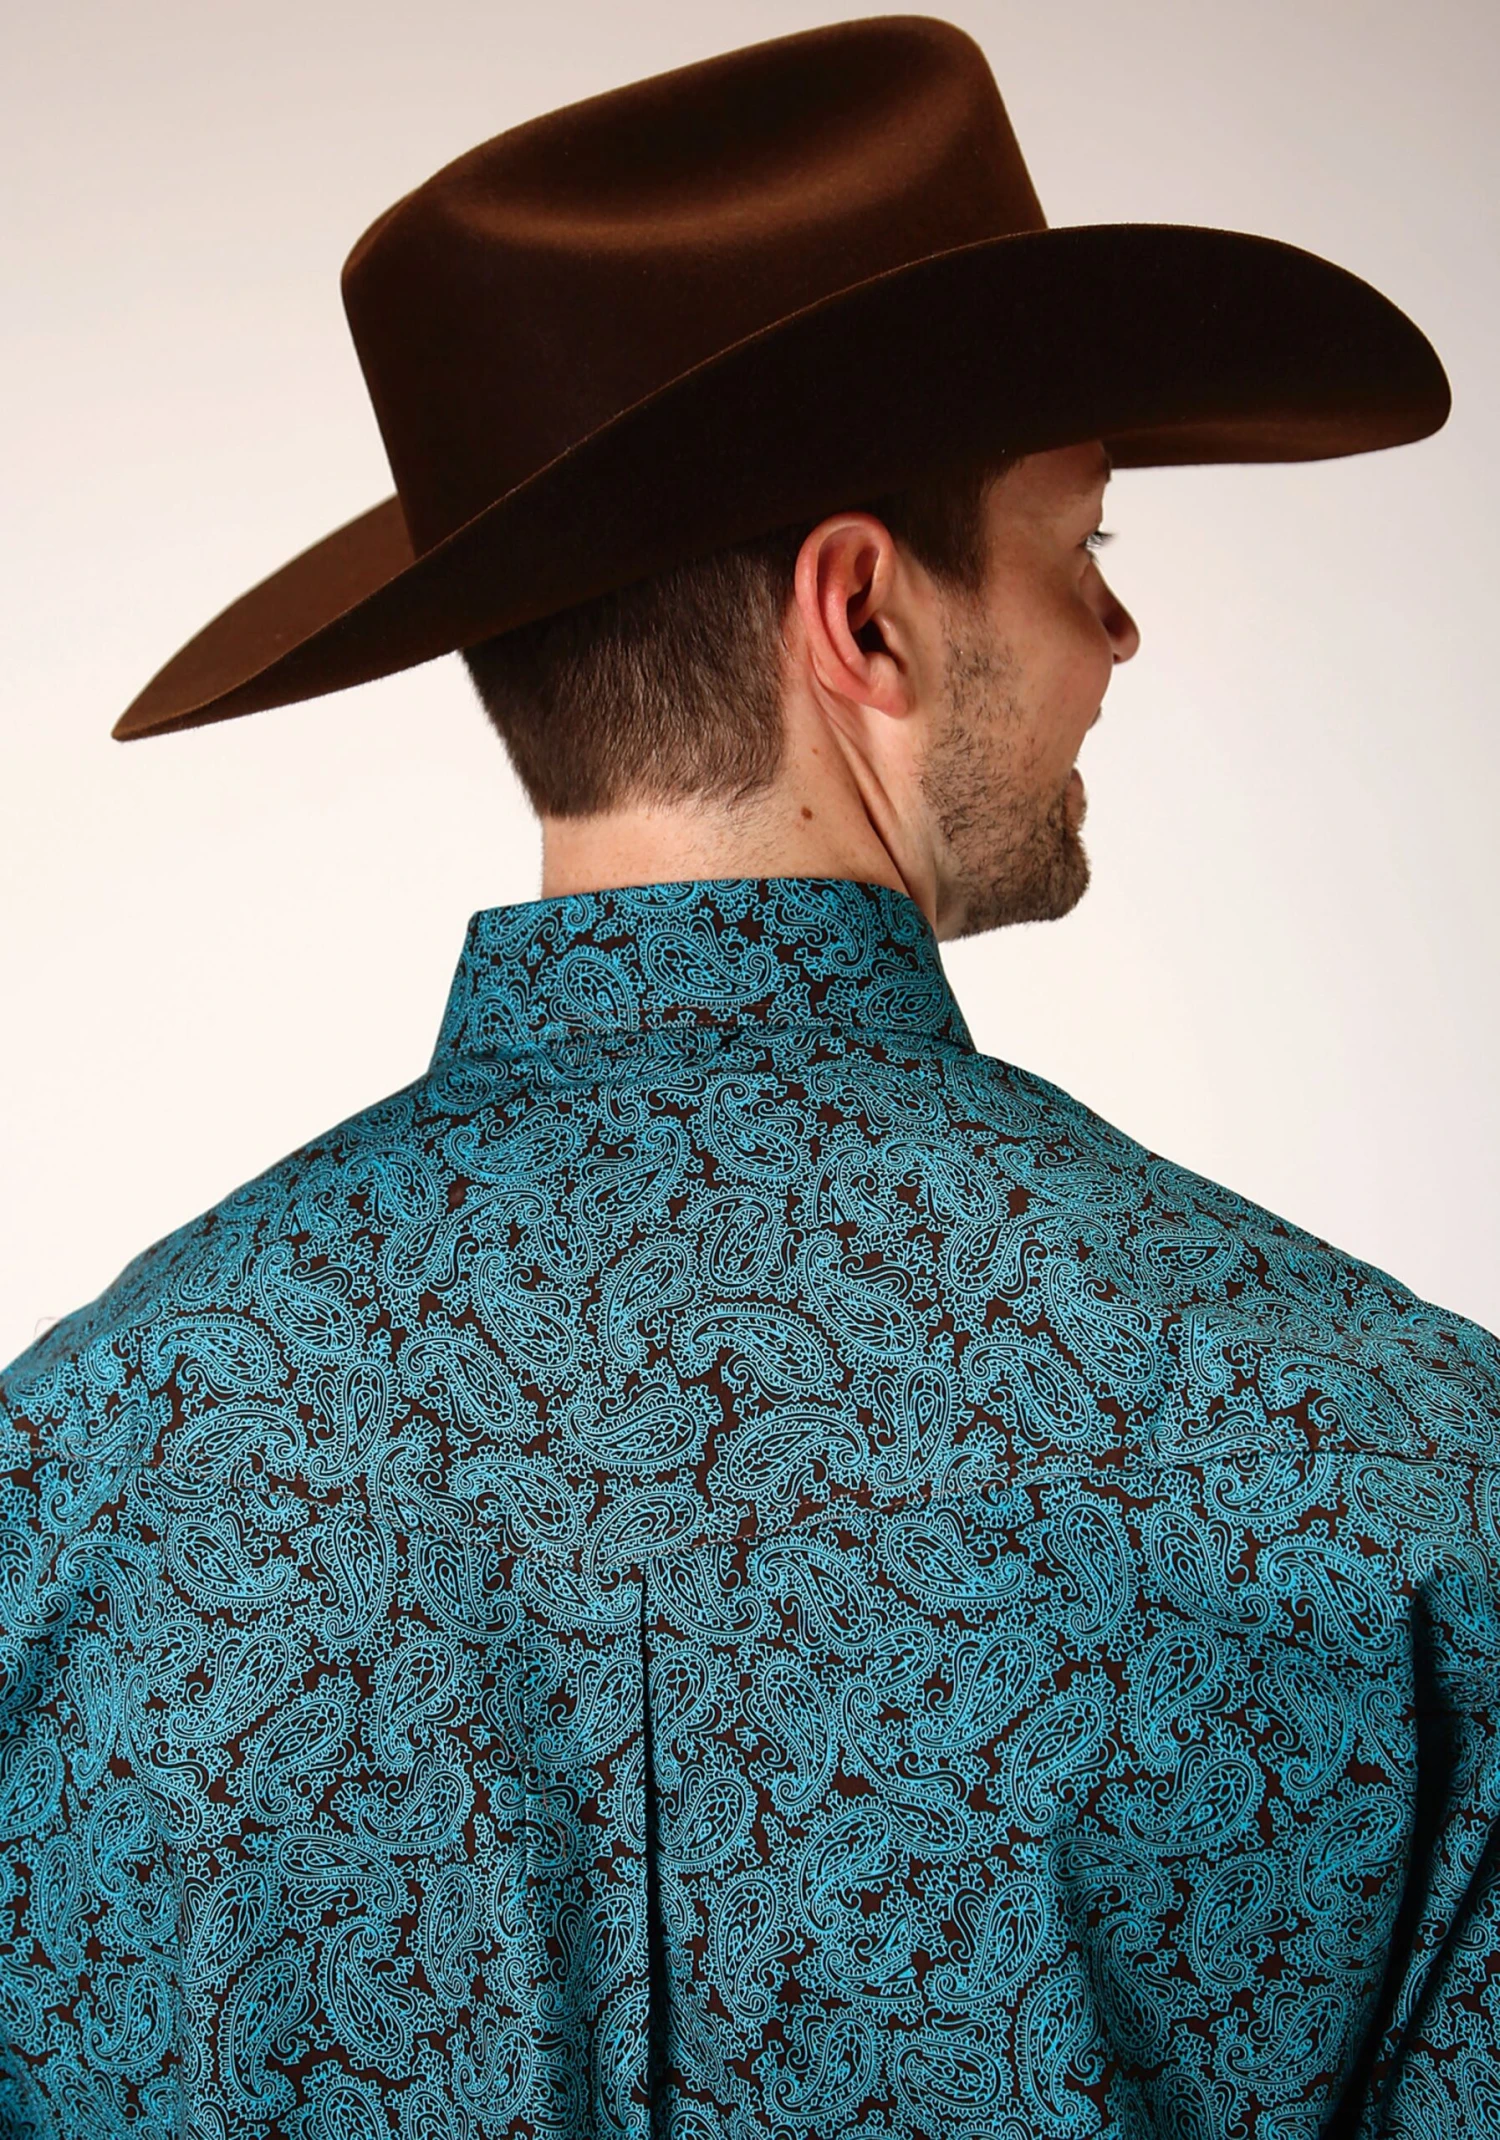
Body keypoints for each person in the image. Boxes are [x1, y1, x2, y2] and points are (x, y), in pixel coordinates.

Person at [3, 15, 1496, 2137]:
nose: (1115, 638)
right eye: (1088, 544)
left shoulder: (68, 1488)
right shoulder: (1390, 1477)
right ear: (862, 614)